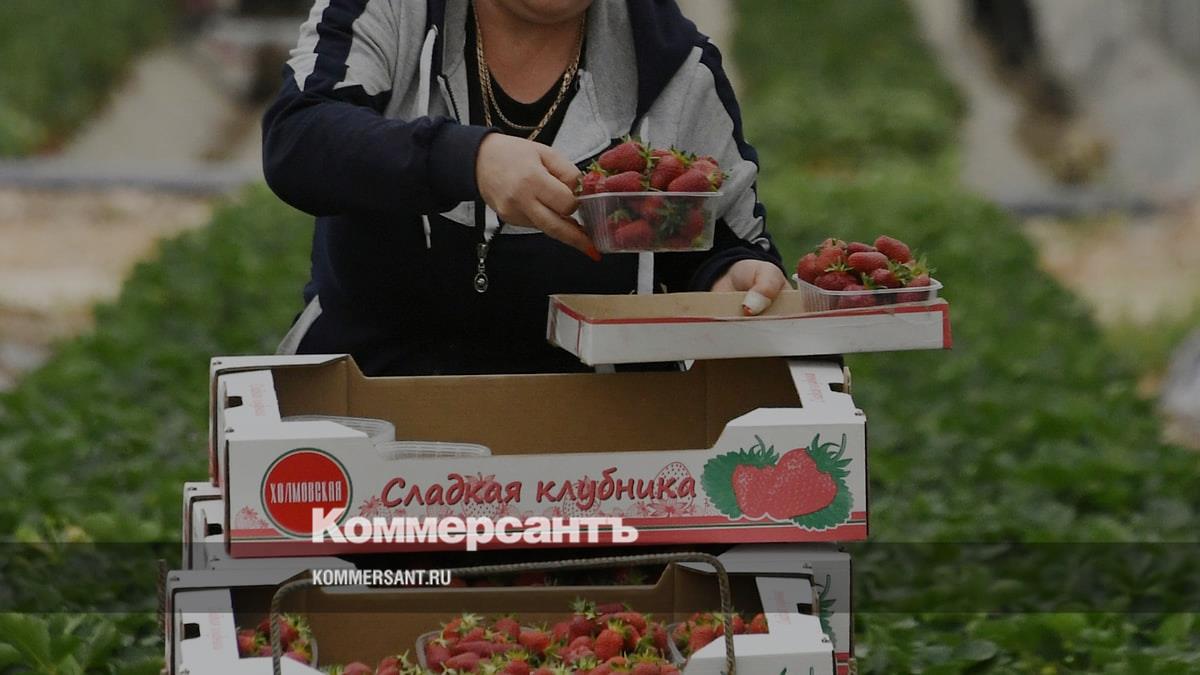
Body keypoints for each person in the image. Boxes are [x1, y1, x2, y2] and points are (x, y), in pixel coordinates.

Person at [263, 0, 788, 376]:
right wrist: (467, 158)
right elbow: (298, 137)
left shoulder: (675, 65)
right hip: (369, 405)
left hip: (600, 446)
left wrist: (729, 274)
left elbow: (719, 243)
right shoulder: (391, 11)